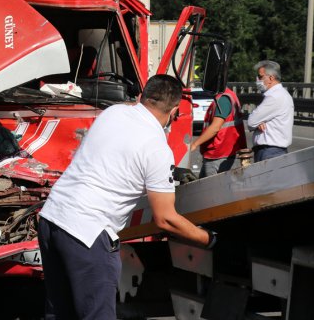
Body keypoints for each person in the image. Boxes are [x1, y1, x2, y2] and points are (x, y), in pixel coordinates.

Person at [38, 74, 215, 320]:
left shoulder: (113, 113)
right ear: (175, 111)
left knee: (60, 312)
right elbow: (166, 219)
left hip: (52, 218)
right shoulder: (156, 147)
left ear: (142, 97)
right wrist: (209, 239)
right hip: (87, 233)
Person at [190, 87, 247, 177]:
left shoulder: (223, 99)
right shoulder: (229, 95)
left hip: (217, 152)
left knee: (210, 188)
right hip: (223, 151)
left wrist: (194, 144)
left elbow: (215, 127)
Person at [247, 60, 294, 161]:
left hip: (269, 152)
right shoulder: (280, 94)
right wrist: (259, 122)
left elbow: (251, 122)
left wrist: (258, 122)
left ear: (271, 78)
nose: (257, 80)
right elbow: (256, 120)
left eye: (260, 77)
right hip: (272, 151)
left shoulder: (274, 96)